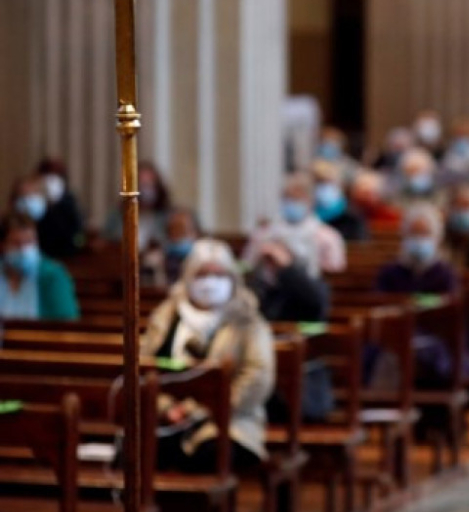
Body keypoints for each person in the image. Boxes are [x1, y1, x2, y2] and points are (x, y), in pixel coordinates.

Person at [141, 239, 274, 472]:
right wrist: (165, 408)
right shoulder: (166, 316)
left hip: (229, 421)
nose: (210, 282)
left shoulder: (248, 320)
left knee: (206, 455)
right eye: (202, 273)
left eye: (219, 274)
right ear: (188, 277)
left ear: (232, 278)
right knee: (138, 451)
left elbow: (257, 376)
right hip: (166, 418)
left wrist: (196, 410)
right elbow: (144, 367)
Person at [247, 239, 334, 423]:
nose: (272, 267)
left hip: (304, 387)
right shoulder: (258, 290)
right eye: (268, 262)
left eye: (276, 262)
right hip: (259, 384)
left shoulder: (310, 288)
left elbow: (316, 303)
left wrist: (287, 268)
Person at [243, 173, 347, 278]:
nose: (291, 203)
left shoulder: (328, 238)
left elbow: (335, 276)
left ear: (310, 201)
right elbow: (247, 266)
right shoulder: (264, 234)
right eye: (288, 198)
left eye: (297, 199)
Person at [0, 213, 79, 320]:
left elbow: (67, 322)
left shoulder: (53, 276)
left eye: (29, 242)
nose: (24, 250)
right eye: (16, 243)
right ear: (3, 245)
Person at [375, 204, 458, 295]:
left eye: (425, 233)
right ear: (404, 235)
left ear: (436, 238)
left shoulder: (445, 274)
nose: (419, 240)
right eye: (414, 233)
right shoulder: (389, 273)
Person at [103, 161, 173, 249]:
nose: (146, 190)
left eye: (149, 184)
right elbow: (106, 240)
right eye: (142, 185)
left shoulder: (168, 217)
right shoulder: (117, 215)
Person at [35, 158, 86, 258]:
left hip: (67, 253)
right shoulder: (31, 200)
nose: (53, 179)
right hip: (40, 253)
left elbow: (78, 233)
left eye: (58, 175)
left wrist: (78, 245)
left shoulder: (70, 201)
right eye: (49, 174)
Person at [141, 207, 201, 286]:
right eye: (173, 230)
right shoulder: (154, 260)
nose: (177, 234)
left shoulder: (204, 261)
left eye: (182, 230)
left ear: (195, 233)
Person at [312, 160, 369, 242]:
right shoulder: (310, 219)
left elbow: (360, 247)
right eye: (319, 182)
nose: (324, 189)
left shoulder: (353, 220)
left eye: (327, 182)